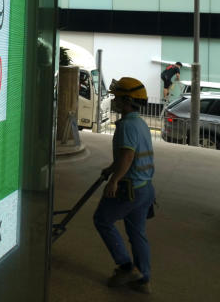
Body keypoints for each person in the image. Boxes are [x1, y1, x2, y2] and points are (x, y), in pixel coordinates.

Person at [93, 77, 155, 294]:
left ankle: (127, 267)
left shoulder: (127, 126)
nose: (115, 100)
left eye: (118, 97)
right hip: (145, 188)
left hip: (129, 189)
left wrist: (114, 180)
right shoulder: (140, 123)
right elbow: (129, 156)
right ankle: (143, 278)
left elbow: (128, 156)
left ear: (128, 100)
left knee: (102, 220)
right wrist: (112, 168)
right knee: (137, 232)